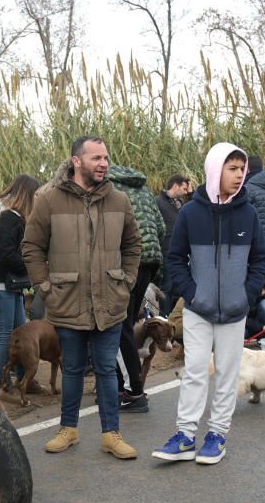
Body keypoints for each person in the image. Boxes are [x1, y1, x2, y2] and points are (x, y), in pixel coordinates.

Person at [22, 135, 142, 460]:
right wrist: (45, 287)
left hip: (109, 303)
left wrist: (126, 281)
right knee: (72, 369)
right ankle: (68, 429)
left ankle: (111, 435)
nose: (103, 164)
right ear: (77, 161)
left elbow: (133, 246)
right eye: (96, 158)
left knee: (105, 368)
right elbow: (31, 247)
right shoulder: (49, 200)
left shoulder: (119, 200)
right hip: (66, 300)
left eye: (106, 158)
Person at [153, 142, 265, 465]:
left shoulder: (249, 213)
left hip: (234, 312)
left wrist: (245, 295)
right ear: (215, 170)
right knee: (194, 371)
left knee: (228, 375)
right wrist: (192, 293)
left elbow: (260, 260)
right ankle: (186, 435)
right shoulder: (190, 212)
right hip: (198, 310)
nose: (239, 175)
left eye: (242, 169)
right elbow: (175, 259)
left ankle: (216, 436)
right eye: (232, 169)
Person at [105, 164, 166, 413]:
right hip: (150, 262)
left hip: (127, 262)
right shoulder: (144, 190)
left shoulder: (110, 189)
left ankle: (133, 391)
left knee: (119, 327)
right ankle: (125, 385)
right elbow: (161, 228)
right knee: (126, 324)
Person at [0, 174, 40, 388]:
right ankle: (4, 383)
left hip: (10, 283)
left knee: (20, 333)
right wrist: (31, 267)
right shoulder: (8, 218)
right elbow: (7, 255)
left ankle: (24, 380)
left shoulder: (14, 218)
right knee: (6, 334)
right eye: (35, 195)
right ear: (26, 195)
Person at [155, 175, 190, 316]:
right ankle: (162, 319)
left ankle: (172, 320)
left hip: (180, 253)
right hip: (166, 251)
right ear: (175, 186)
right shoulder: (158, 202)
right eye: (184, 188)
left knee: (178, 287)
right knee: (166, 288)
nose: (186, 191)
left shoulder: (180, 203)